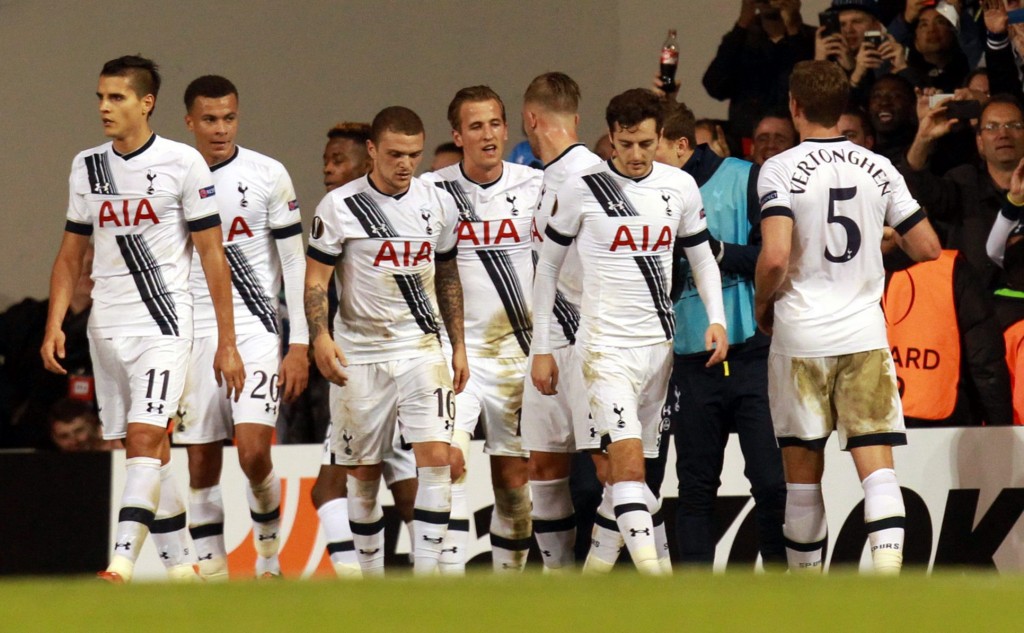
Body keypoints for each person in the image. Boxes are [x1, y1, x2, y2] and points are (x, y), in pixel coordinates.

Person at [41, 55, 245, 584]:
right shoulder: (88, 165)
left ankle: (121, 563)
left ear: (146, 102)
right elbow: (70, 254)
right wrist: (55, 321)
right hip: (106, 328)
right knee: (147, 450)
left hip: (164, 324)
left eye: (117, 97)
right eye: (100, 97)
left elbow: (211, 253)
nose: (105, 107)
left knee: (142, 439)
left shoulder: (183, 163)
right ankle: (184, 573)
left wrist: (227, 341)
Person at [754, 60, 942, 574]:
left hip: (800, 338)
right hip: (862, 333)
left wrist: (761, 303)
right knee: (878, 474)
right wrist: (879, 242)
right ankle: (883, 595)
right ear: (843, 109)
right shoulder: (880, 167)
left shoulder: (779, 168)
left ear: (795, 107)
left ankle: (807, 601)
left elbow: (774, 257)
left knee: (802, 479)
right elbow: (928, 246)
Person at [532, 88, 729, 575]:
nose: (636, 155)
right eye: (626, 144)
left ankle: (593, 580)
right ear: (611, 142)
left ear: (660, 136)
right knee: (627, 466)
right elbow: (547, 269)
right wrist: (542, 347)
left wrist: (717, 318)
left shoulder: (678, 186)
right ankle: (657, 582)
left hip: (656, 351)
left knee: (631, 480)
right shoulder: (582, 189)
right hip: (602, 350)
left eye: (645, 143)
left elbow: (701, 256)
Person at [305, 105, 468, 576]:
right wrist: (320, 337)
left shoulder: (437, 202)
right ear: (373, 150)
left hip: (421, 348)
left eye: (414, 155)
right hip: (360, 351)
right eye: (395, 153)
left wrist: (457, 345)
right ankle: (371, 584)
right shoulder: (339, 207)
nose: (405, 164)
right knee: (363, 472)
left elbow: (448, 275)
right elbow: (316, 280)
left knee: (436, 458)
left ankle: (428, 577)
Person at [170, 75, 308, 580]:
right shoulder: (169, 176)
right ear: (189, 122)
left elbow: (294, 265)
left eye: (229, 117)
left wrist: (300, 343)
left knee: (253, 452)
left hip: (253, 331)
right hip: (190, 335)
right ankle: (214, 579)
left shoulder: (268, 174)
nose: (221, 128)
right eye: (209, 119)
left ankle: (268, 560)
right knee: (201, 466)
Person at [654, 100, 787, 569]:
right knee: (694, 490)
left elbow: (771, 257)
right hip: (689, 360)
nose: (642, 159)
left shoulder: (744, 177)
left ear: (681, 145)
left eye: (652, 147)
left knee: (772, 482)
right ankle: (694, 607)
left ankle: (779, 589)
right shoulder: (648, 193)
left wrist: (711, 251)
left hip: (752, 354)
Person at [421, 86, 542, 573]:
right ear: (458, 135)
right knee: (445, 465)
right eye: (475, 126)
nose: (487, 134)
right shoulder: (433, 190)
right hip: (455, 357)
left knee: (514, 488)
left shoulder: (535, 186)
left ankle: (504, 597)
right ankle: (443, 592)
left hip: (519, 356)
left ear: (506, 129)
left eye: (494, 124)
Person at [309, 122, 420, 578]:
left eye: (339, 160)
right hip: (390, 363)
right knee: (393, 486)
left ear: (368, 159)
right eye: (326, 160)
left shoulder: (401, 208)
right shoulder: (339, 212)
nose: (329, 169)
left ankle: (358, 584)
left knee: (340, 486)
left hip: (382, 364)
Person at [520, 72, 607, 573]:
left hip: (588, 344)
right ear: (574, 117)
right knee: (544, 464)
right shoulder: (543, 179)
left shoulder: (589, 178)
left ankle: (607, 574)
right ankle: (559, 583)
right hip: (550, 342)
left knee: (608, 466)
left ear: (531, 119)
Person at [882, 236, 1012, 427]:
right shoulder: (952, 271)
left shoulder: (843, 273)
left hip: (865, 425)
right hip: (943, 428)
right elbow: (985, 363)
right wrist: (1001, 428)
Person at [901, 94, 1024, 289]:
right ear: (980, 142)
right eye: (992, 127)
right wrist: (922, 140)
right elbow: (918, 189)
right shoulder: (963, 181)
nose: (1003, 134)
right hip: (975, 309)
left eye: (1014, 126)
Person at [701, 0, 815, 151]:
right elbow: (714, 86)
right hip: (747, 143)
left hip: (796, 141)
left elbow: (811, 88)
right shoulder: (741, 39)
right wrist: (743, 20)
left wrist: (793, 27)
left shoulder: (811, 38)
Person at [324, 123, 373, 193]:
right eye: (325, 162)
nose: (327, 169)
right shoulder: (329, 202)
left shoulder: (391, 203)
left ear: (368, 166)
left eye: (338, 161)